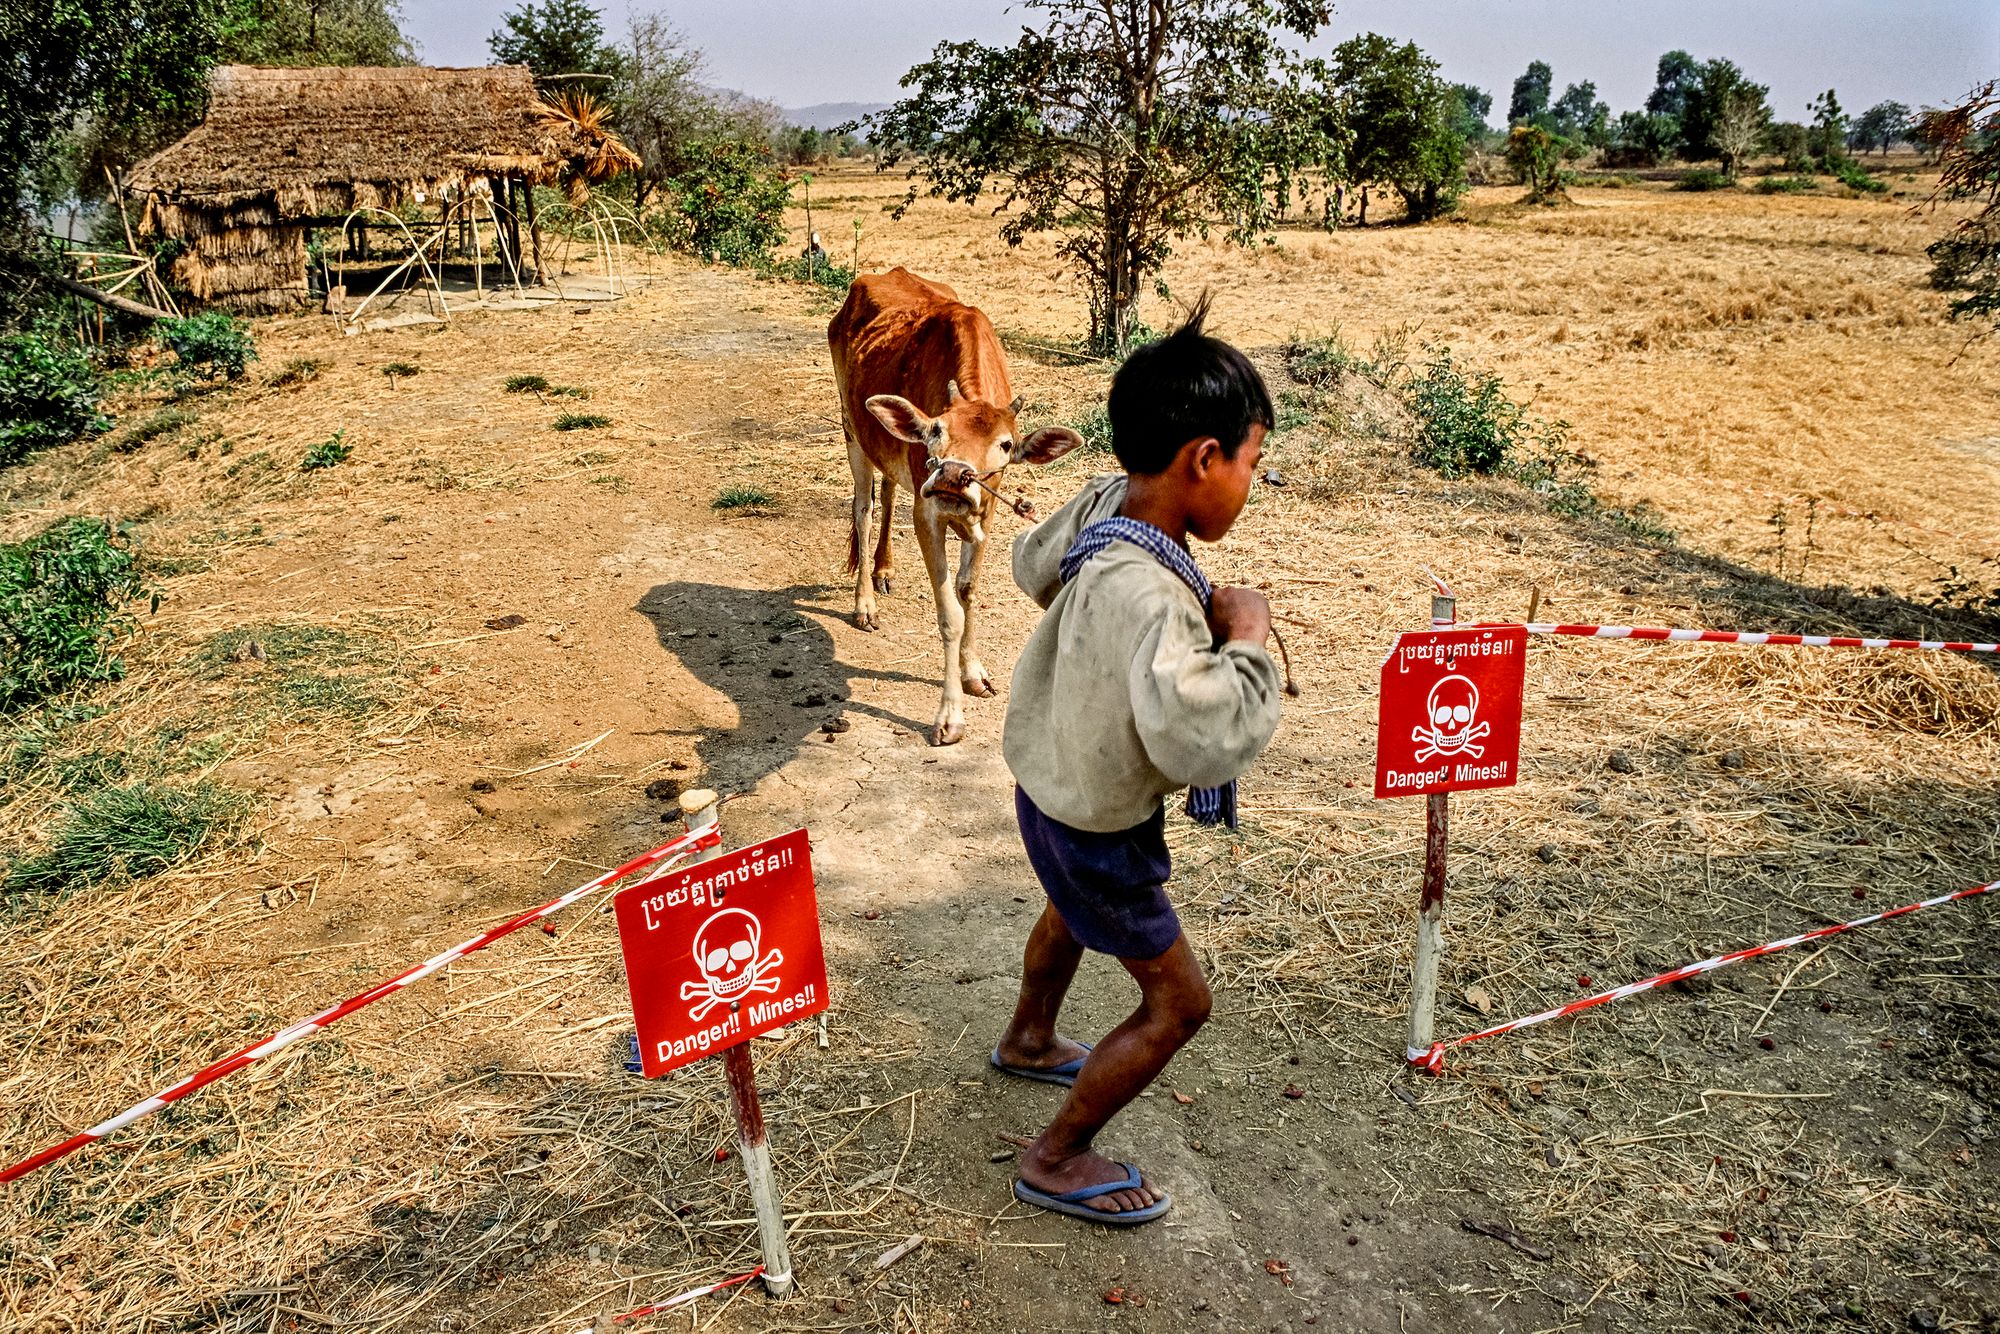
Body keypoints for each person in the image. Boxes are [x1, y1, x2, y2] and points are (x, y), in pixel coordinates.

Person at [990, 296, 1284, 1225]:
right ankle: (1057, 1154)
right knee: (1179, 1004)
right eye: (1252, 464)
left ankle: (1032, 1037)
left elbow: (1030, 565)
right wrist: (1246, 638)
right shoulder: (1155, 591)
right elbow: (1198, 740)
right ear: (1203, 458)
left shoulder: (1112, 515)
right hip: (1098, 821)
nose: (1250, 484)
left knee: (1069, 910)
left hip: (1051, 784)